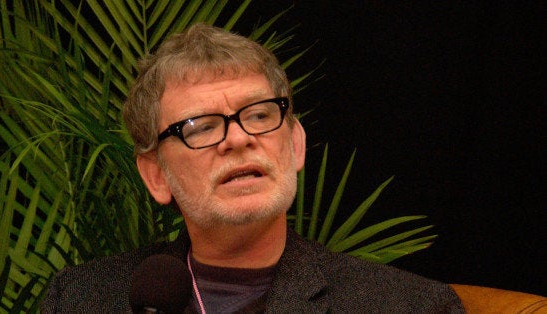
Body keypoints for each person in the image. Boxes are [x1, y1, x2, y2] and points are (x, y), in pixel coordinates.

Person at [42, 23, 464, 313]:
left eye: (260, 116)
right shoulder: (81, 298)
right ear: (156, 175)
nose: (239, 138)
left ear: (295, 144)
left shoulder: (407, 305)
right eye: (201, 126)